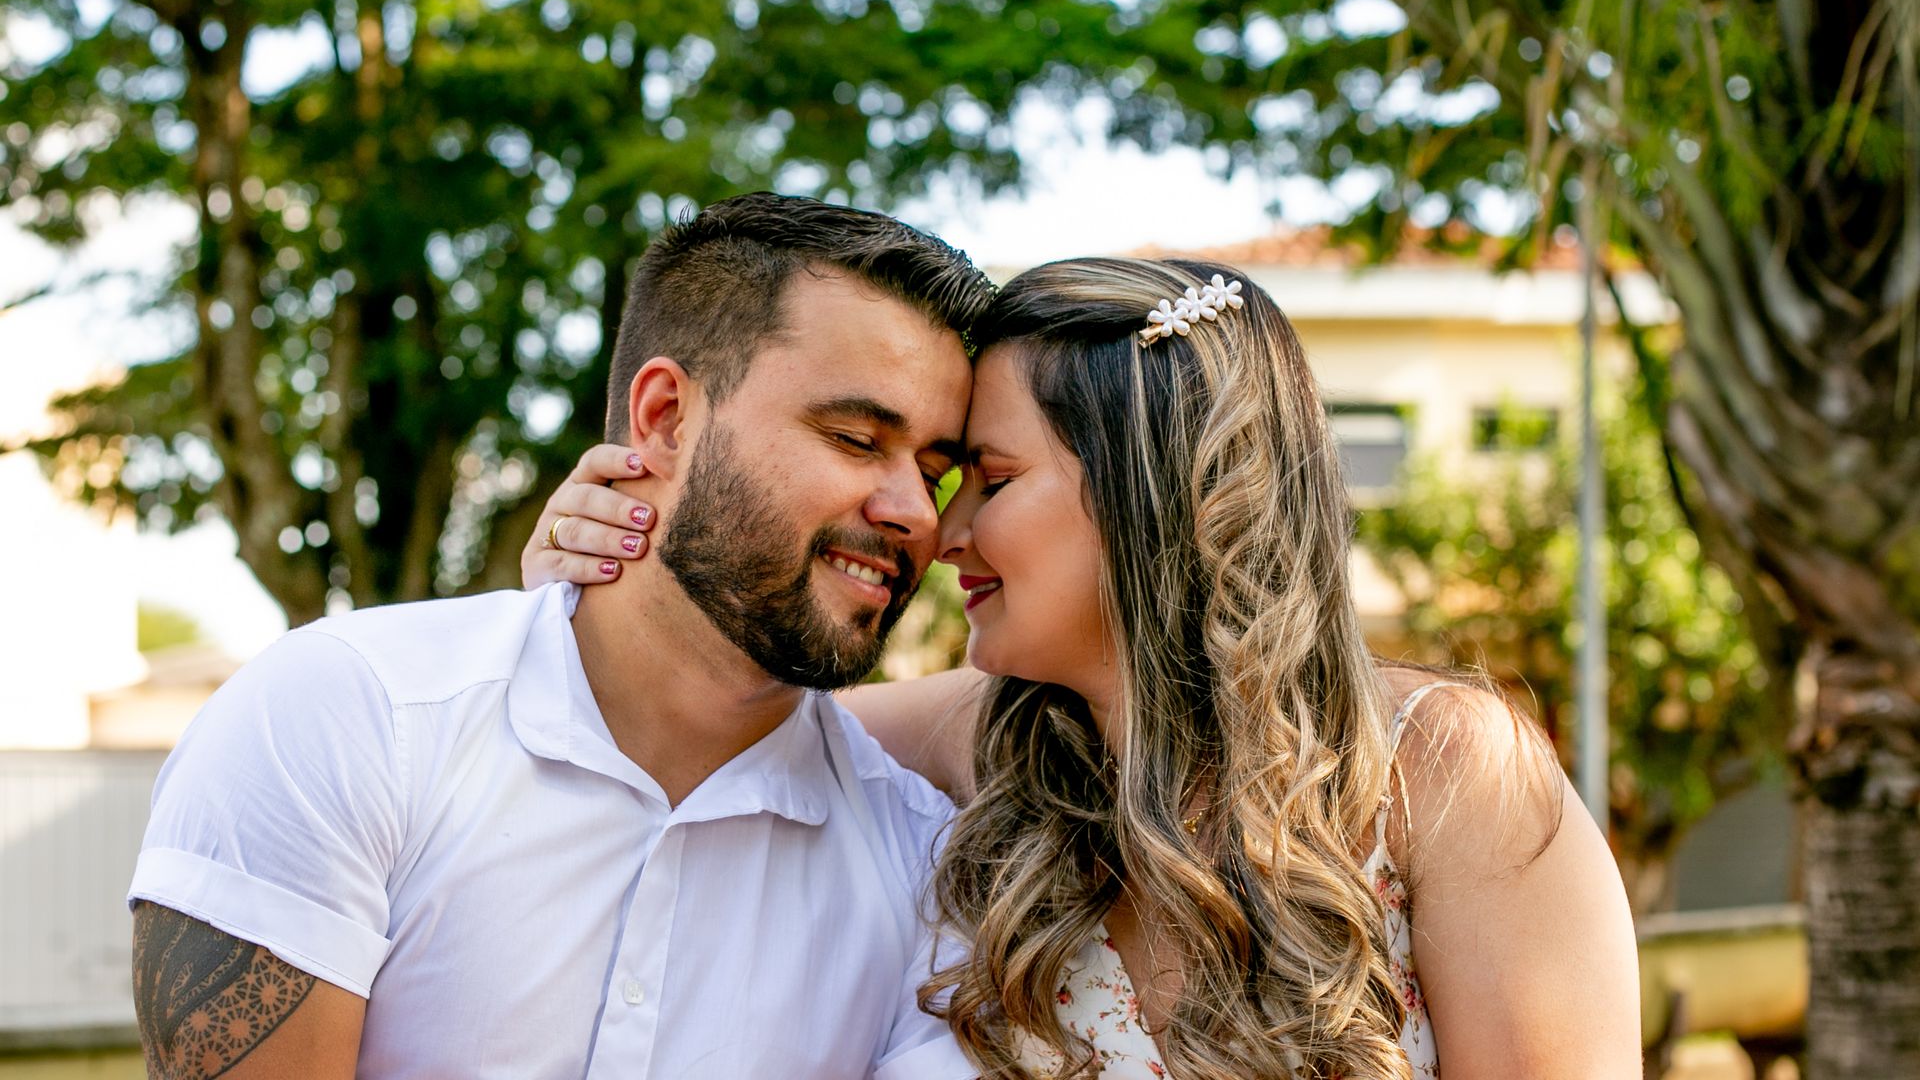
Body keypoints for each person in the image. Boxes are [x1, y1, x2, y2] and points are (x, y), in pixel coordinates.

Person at [532, 255, 1644, 1078]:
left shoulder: (1443, 771)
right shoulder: (987, 738)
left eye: (990, 478)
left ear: (1148, 497)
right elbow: (704, 712)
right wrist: (593, 585)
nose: (942, 528)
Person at [126, 193, 996, 1079]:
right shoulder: (350, 716)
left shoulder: (925, 868)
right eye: (855, 438)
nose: (914, 518)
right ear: (664, 418)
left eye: (934, 473)